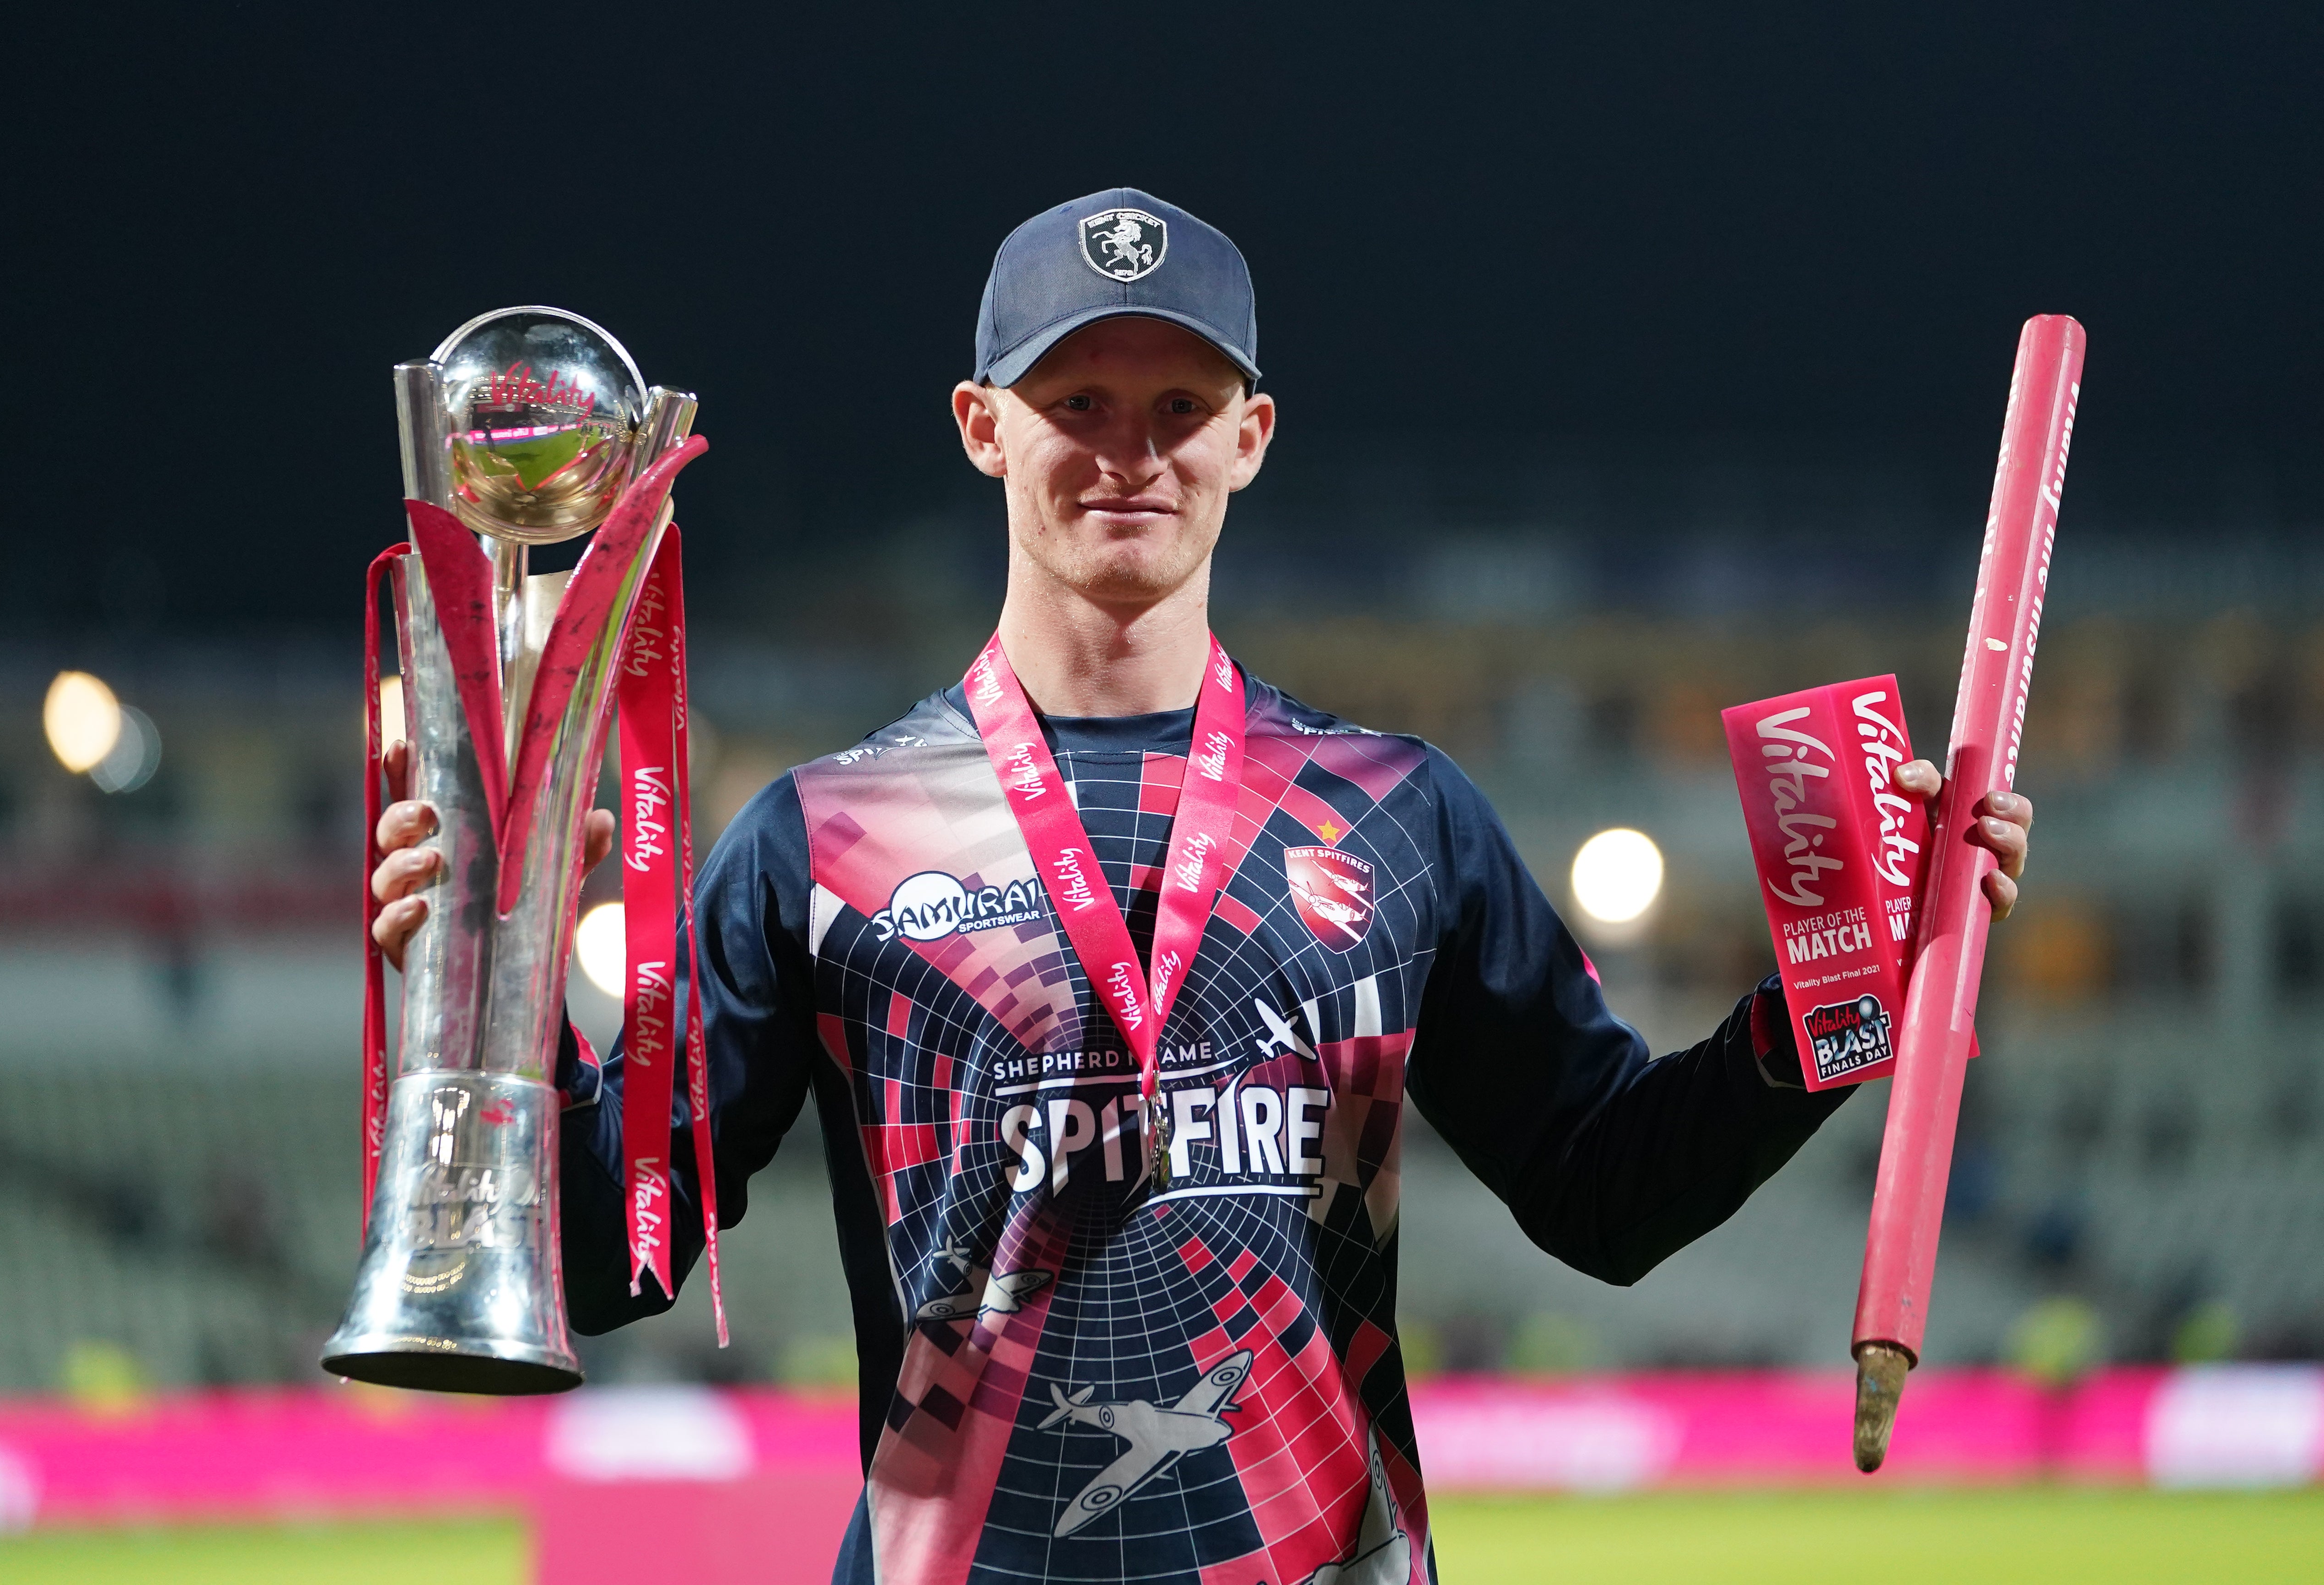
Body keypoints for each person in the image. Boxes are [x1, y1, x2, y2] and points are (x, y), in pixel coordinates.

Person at [370, 189, 2034, 1584]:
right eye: (1075, 403)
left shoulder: (1401, 814)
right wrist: (494, 986)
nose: (1129, 454)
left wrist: (1856, 986)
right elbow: (609, 1260)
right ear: (981, 427)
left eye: (1177, 408)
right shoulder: (821, 836)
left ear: (1250, 435)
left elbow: (1610, 1196)